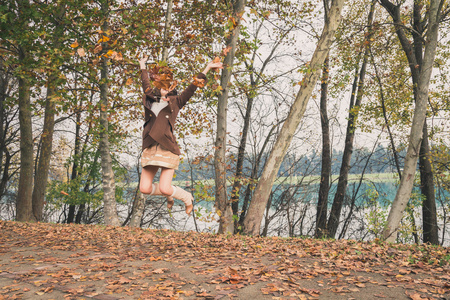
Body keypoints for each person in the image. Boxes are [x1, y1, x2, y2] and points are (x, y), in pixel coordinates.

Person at [138, 56, 222, 215]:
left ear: (172, 87)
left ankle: (186, 197)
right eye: (162, 85)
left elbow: (193, 86)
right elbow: (145, 83)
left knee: (164, 187)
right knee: (144, 188)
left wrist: (207, 68)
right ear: (158, 86)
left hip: (167, 148)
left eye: (168, 86)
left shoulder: (176, 102)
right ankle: (168, 194)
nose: (165, 89)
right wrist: (142, 64)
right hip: (150, 147)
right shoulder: (150, 99)